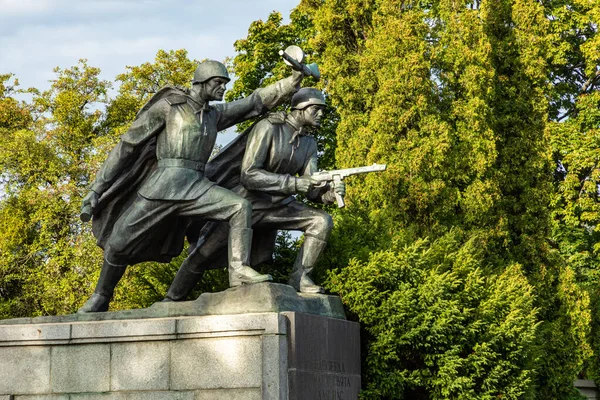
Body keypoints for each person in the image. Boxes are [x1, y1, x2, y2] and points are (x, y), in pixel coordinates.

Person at [79, 60, 304, 312]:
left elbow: (253, 102)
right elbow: (126, 147)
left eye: (225, 84)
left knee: (240, 206)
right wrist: (96, 189)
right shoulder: (169, 107)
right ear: (201, 82)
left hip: (196, 185)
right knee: (118, 244)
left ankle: (238, 270)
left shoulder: (214, 115)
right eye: (219, 83)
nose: (223, 88)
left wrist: (291, 82)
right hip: (163, 186)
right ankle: (101, 295)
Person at [164, 87, 345, 301]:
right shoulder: (268, 127)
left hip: (280, 206)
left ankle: (300, 278)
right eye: (316, 109)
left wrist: (328, 194)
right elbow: (249, 174)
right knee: (202, 254)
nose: (321, 114)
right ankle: (171, 299)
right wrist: (294, 183)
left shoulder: (309, 143)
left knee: (321, 221)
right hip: (246, 204)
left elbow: (311, 186)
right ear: (300, 108)